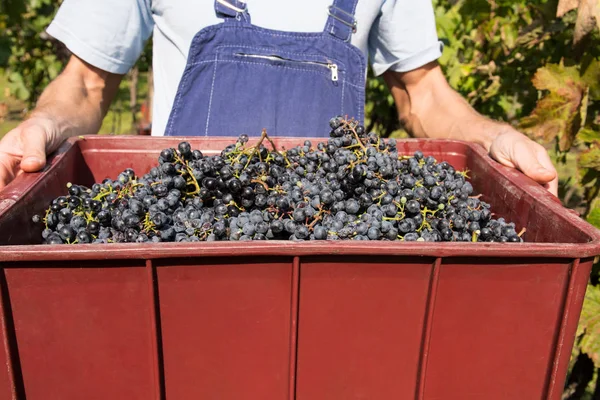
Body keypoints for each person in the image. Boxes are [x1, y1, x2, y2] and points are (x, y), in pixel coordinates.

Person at [0, 0, 558, 195]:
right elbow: (86, 84)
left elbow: (425, 97)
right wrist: (42, 125)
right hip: (188, 239)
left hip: (329, 236)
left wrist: (494, 136)